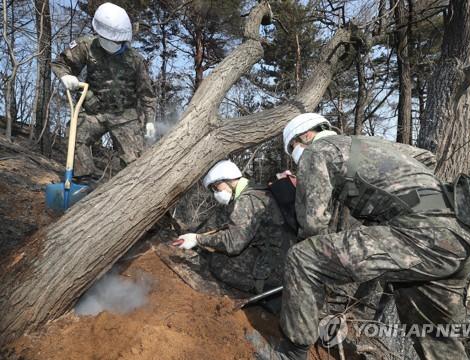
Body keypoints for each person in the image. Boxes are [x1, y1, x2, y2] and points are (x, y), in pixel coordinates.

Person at [247, 113, 470, 360]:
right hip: (461, 237)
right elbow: (427, 157)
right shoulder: (373, 143)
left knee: (303, 257)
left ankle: (292, 355)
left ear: (306, 135)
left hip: (421, 236)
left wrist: (301, 194)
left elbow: (314, 223)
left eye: (293, 147)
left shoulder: (318, 150)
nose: (295, 155)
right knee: (435, 336)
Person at [51, 2, 157, 181]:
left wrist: (150, 122)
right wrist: (66, 77)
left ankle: (130, 192)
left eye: (118, 41)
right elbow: (61, 63)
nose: (115, 44)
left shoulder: (135, 60)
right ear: (99, 34)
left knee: (136, 161)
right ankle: (83, 181)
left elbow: (147, 95)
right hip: (94, 110)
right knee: (75, 136)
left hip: (125, 115)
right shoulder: (86, 46)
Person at [173, 160, 297, 298]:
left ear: (226, 180)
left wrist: (198, 239)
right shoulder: (257, 190)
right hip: (286, 255)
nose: (215, 193)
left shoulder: (248, 199)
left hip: (278, 267)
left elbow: (234, 243)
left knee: (218, 261)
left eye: (215, 187)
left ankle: (259, 289)